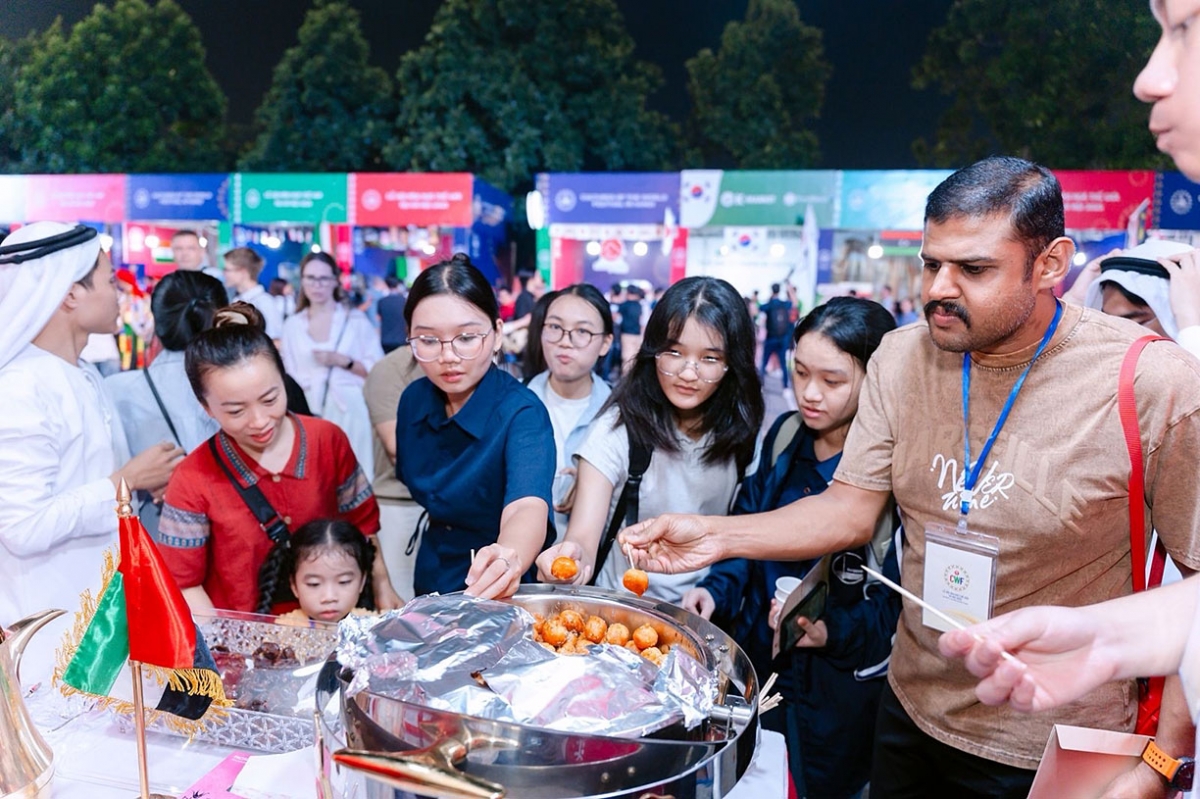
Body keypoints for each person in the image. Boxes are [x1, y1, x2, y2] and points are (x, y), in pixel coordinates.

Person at [620, 157, 1200, 798]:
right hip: (910, 710)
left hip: (1057, 743)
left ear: (1051, 264)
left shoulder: (1151, 382)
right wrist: (718, 534)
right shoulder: (901, 355)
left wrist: (1164, 762)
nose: (938, 290)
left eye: (973, 269)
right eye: (931, 264)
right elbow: (849, 509)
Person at [681, 297, 901, 798]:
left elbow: (899, 610)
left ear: (877, 380)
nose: (809, 393)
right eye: (800, 372)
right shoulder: (784, 436)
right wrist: (714, 590)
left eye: (832, 380)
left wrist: (832, 632)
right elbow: (747, 527)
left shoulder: (894, 474)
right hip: (761, 671)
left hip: (838, 699)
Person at [0, 222, 183, 676]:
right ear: (68, 295)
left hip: (101, 619)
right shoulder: (20, 388)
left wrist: (143, 485)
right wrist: (128, 481)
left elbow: (89, 486)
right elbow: (23, 527)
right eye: (107, 279)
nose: (120, 290)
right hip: (50, 632)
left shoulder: (81, 372)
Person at [156, 303, 399, 615]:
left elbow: (363, 525)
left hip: (333, 635)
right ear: (206, 408)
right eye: (236, 410)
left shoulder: (327, 440)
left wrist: (382, 586)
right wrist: (221, 648)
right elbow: (183, 582)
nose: (259, 420)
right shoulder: (192, 478)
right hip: (241, 649)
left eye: (270, 399)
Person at [537, 276, 764, 606]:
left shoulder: (743, 434)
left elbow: (743, 532)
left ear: (732, 364)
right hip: (621, 613)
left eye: (710, 358)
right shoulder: (616, 431)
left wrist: (716, 590)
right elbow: (583, 539)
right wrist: (571, 561)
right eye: (674, 352)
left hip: (702, 614)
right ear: (653, 351)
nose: (688, 373)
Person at [396, 253, 555, 600]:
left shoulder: (522, 413)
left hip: (502, 581)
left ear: (497, 334)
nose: (448, 356)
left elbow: (527, 507)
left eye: (466, 338)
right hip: (434, 571)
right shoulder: (413, 401)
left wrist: (507, 557)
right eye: (428, 340)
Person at [105, 271, 225, 537]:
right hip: (232, 532)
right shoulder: (242, 383)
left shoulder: (116, 390)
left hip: (155, 537)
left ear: (156, 319)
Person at [524, 285, 614, 538]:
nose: (565, 341)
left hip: (593, 565)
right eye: (554, 327)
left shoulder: (621, 415)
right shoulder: (513, 405)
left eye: (582, 331)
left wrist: (597, 485)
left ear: (606, 343)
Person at [280, 251, 382, 471]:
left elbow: (377, 368)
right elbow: (287, 373)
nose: (317, 285)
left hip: (349, 408)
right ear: (302, 280)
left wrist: (344, 361)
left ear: (335, 281)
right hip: (305, 411)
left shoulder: (354, 320)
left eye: (323, 278)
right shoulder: (292, 325)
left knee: (355, 472)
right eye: (310, 278)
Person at [362, 345, 424, 599]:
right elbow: (397, 448)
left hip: (463, 512)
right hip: (400, 504)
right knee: (401, 607)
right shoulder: (391, 369)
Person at [274, 519, 376, 624]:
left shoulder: (375, 629)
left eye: (344, 581)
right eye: (314, 584)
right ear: (294, 586)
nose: (329, 597)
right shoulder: (281, 632)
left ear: (362, 582)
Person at [224, 247, 284, 342]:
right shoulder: (236, 299)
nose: (224, 274)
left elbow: (275, 340)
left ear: (242, 272)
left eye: (227, 269)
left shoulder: (265, 302)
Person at [760, 282, 794, 387]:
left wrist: (770, 298)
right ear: (779, 291)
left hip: (770, 338)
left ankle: (760, 384)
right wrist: (789, 287)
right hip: (782, 339)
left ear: (772, 291)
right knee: (783, 363)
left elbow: (761, 308)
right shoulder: (784, 304)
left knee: (764, 362)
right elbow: (793, 302)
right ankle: (785, 386)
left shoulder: (769, 305)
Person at [376, 276, 409, 354]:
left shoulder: (382, 301)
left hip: (386, 340)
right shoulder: (404, 301)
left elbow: (378, 318)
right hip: (402, 339)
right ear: (398, 285)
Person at [617, 283, 645, 374]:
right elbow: (642, 321)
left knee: (627, 357)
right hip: (637, 334)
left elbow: (617, 319)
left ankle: (626, 377)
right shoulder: (639, 305)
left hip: (626, 333)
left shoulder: (624, 305)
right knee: (635, 356)